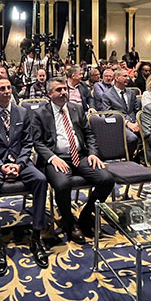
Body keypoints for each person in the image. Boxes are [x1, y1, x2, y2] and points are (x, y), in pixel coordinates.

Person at [0, 77, 49, 274]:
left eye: (9, 88)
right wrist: (1, 166)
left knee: (41, 180)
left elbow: (27, 143)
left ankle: (36, 236)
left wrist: (19, 164)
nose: (7, 91)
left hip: (20, 162)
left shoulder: (22, 112)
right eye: (2, 88)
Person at [31, 77, 114, 242]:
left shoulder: (76, 108)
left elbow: (89, 134)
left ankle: (86, 215)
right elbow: (37, 142)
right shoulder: (40, 113)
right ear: (49, 94)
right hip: (57, 158)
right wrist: (52, 157)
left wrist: (93, 153)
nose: (63, 92)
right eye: (59, 90)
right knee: (62, 185)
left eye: (65, 89)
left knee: (107, 179)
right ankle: (69, 222)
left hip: (80, 156)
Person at [98, 69, 141, 154]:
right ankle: (129, 158)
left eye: (128, 76)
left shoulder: (131, 93)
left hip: (135, 122)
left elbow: (137, 109)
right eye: (125, 76)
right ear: (116, 78)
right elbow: (108, 114)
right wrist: (127, 123)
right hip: (120, 124)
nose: (128, 78)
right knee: (132, 138)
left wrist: (137, 122)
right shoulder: (107, 95)